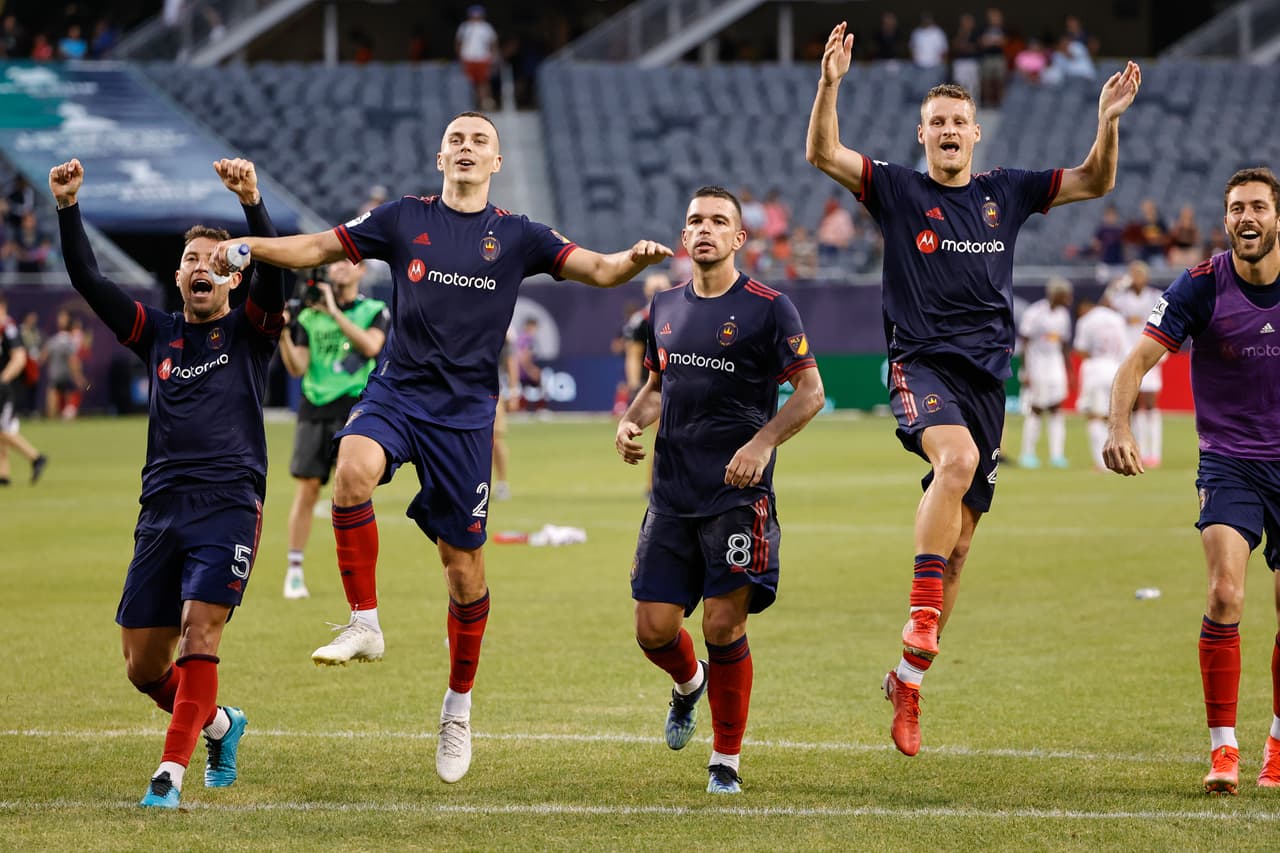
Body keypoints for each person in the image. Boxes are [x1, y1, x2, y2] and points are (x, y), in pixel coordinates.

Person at [209, 111, 672, 784]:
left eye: (479, 140)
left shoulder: (518, 235)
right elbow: (317, 248)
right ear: (439, 156)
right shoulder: (402, 219)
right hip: (398, 391)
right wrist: (251, 245)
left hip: (464, 418)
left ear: (496, 162)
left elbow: (596, 268)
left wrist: (631, 260)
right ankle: (364, 621)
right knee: (351, 468)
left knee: (465, 573)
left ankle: (457, 707)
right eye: (456, 138)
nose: (466, 147)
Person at [805, 20, 1140, 756]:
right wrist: (830, 84)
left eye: (960, 121)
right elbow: (823, 152)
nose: (949, 130)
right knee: (952, 464)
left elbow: (1096, 180)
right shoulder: (895, 188)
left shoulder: (1006, 192)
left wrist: (1106, 124)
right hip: (921, 364)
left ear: (976, 134)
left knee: (959, 549)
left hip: (989, 378)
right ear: (921, 134)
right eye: (938, 122)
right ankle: (920, 620)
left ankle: (908, 678)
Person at [49, 156, 284, 809]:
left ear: (232, 276)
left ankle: (169, 776)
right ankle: (218, 723)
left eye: (214, 258)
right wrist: (68, 208)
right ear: (178, 276)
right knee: (144, 666)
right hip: (160, 510)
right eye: (190, 259)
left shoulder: (251, 331)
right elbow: (89, 279)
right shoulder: (157, 333)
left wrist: (252, 204)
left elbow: (276, 279)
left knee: (200, 633)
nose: (201, 264)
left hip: (230, 503)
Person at [616, 186, 824, 795]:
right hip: (671, 497)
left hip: (737, 497)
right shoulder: (662, 306)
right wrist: (631, 423)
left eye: (717, 221)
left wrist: (761, 445)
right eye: (694, 221)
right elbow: (658, 388)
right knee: (652, 629)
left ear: (739, 237)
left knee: (723, 625)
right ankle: (689, 684)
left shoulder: (769, 307)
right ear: (684, 238)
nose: (703, 229)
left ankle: (725, 760)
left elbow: (810, 393)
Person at [1103, 167, 1280, 794]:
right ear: (1225, 218)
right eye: (1236, 209)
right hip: (1230, 461)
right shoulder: (1201, 285)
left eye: (1258, 206)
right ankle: (1225, 751)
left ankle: (1277, 745)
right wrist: (1118, 424)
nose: (1246, 218)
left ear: (1277, 217)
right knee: (1226, 594)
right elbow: (1137, 360)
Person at [277, 261, 389, 600]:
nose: (340, 267)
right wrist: (283, 331)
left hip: (358, 410)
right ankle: (294, 570)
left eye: (348, 262)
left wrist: (332, 311)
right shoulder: (308, 316)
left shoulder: (374, 310)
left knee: (356, 491)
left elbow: (371, 347)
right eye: (335, 262)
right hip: (315, 407)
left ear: (361, 272)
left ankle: (361, 578)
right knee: (307, 489)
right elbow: (298, 367)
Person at [1107, 259, 1165, 466]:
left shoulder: (1154, 296)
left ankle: (1154, 451)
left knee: (1151, 402)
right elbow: (1105, 306)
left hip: (1150, 352)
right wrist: (1115, 286)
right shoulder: (1122, 297)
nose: (1136, 278)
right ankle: (1138, 446)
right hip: (1128, 354)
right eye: (1133, 274)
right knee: (1134, 402)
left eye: (1139, 274)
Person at [1017, 277, 1073, 469]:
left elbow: (1064, 344)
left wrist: (1069, 369)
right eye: (1066, 295)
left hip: (1055, 365)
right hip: (1037, 364)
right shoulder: (1035, 312)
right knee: (1037, 408)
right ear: (1056, 294)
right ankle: (1028, 454)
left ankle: (1057, 455)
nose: (1069, 298)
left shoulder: (1063, 315)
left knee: (1057, 408)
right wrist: (1025, 370)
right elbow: (1024, 342)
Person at [1071, 294, 1127, 470]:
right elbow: (1125, 348)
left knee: (1094, 415)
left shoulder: (1086, 320)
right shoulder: (1118, 319)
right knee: (1111, 416)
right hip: (1116, 368)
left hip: (1095, 368)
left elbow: (1080, 349)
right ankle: (1120, 457)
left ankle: (1102, 463)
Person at [0, 291, 48, 485]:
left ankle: (36, 457)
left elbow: (19, 358)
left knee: (2, 429)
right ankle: (3, 475)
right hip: (5, 384)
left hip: (6, 387)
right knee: (2, 429)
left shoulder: (9, 328)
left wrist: (2, 379)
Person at [42, 308, 86, 419]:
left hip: (56, 375)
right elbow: (73, 360)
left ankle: (52, 422)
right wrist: (78, 377)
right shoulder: (68, 341)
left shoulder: (53, 340)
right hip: (67, 376)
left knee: (55, 406)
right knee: (67, 409)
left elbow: (42, 358)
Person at [456, 5, 499, 111]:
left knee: (483, 82)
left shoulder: (486, 27)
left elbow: (493, 43)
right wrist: (460, 57)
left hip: (482, 58)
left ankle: (485, 103)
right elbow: (459, 43)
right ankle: (471, 104)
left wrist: (494, 57)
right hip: (468, 58)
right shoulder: (465, 27)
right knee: (468, 83)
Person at [507, 316, 544, 412]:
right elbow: (522, 356)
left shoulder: (520, 336)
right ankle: (539, 408)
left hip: (515, 370)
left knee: (521, 389)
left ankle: (525, 408)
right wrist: (530, 370)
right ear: (530, 326)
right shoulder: (527, 338)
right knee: (539, 380)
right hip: (520, 370)